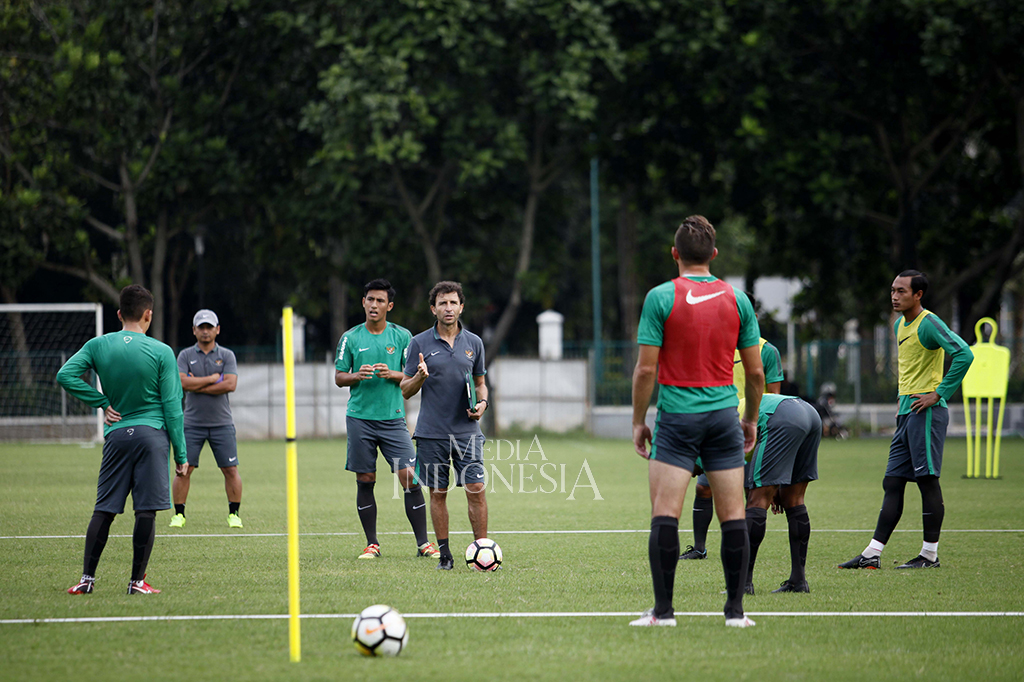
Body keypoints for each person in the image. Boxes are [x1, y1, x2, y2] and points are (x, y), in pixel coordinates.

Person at [629, 215, 764, 628]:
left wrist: (638, 421)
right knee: (734, 515)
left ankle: (664, 613)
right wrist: (751, 419)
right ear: (715, 254)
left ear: (675, 254)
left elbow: (645, 371)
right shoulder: (738, 299)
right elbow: (757, 374)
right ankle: (735, 614)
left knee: (665, 513)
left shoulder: (660, 297)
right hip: (724, 417)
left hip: (677, 420)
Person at [57, 284, 187, 595]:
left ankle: (86, 580)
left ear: (118, 314)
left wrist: (101, 402)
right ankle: (136, 582)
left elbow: (65, 375)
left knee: (104, 508)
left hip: (117, 435)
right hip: (151, 436)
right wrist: (181, 455)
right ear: (148, 315)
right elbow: (172, 407)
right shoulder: (162, 351)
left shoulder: (98, 345)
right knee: (145, 510)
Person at [839, 270, 973, 570]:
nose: (895, 296)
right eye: (893, 290)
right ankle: (872, 554)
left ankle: (929, 556)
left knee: (927, 481)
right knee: (893, 481)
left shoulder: (929, 323)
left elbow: (964, 354)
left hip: (925, 412)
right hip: (905, 413)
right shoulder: (900, 324)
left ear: (918, 295)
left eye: (902, 291)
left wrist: (938, 394)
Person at [335, 279, 439, 560]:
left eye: (380, 301)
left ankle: (423, 544)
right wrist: (356, 376)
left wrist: (391, 374)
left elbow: (410, 377)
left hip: (393, 419)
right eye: (370, 299)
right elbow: (339, 377)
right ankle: (372, 544)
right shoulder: (351, 337)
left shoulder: (403, 337)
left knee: (410, 478)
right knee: (366, 478)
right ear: (363, 302)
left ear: (389, 306)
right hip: (360, 419)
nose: (374, 305)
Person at [401, 281, 489, 571]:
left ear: (461, 307)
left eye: (453, 303)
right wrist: (420, 378)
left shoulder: (474, 342)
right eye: (442, 303)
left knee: (476, 488)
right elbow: (405, 389)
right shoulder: (419, 343)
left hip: (467, 432)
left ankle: (483, 551)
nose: (448, 308)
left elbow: (480, 383)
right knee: (438, 493)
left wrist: (483, 405)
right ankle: (446, 555)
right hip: (431, 433)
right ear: (433, 309)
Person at [681, 338, 783, 560]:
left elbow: (775, 397)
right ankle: (699, 548)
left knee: (751, 492)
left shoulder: (766, 350)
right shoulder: (715, 343)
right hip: (719, 428)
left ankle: (743, 550)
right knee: (703, 488)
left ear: (752, 316)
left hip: (754, 429)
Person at [169, 309, 242, 528]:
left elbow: (230, 385)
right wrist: (212, 380)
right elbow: (181, 383)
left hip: (222, 423)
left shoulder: (227, 355)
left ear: (217, 329)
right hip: (192, 423)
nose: (206, 331)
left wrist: (197, 384)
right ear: (194, 330)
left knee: (230, 469)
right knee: (184, 468)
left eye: (209, 327)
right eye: (201, 327)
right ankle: (179, 514)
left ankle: (234, 514)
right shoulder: (184, 355)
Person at [743, 393, 821, 594]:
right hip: (808, 412)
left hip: (780, 417)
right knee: (793, 499)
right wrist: (774, 486)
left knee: (756, 500)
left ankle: (742, 584)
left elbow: (747, 485)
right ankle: (798, 581)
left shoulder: (707, 444)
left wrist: (768, 489)